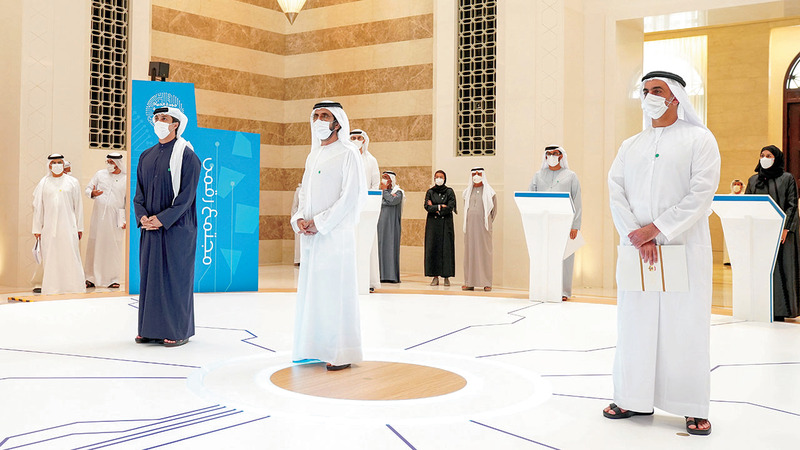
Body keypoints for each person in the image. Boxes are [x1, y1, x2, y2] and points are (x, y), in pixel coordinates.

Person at [606, 71, 720, 435]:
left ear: (676, 97)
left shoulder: (699, 139)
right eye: (645, 91)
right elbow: (615, 190)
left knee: (684, 324)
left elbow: (701, 193)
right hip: (637, 250)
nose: (649, 96)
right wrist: (637, 235)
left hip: (682, 247)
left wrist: (656, 229)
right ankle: (631, 397)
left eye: (657, 90)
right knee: (634, 323)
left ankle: (691, 406)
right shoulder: (631, 145)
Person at [291, 100, 366, 371]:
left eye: (325, 116)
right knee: (314, 294)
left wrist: (320, 222)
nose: (319, 121)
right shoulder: (313, 156)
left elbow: (350, 197)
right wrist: (299, 218)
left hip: (335, 236)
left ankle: (341, 352)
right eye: (316, 116)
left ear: (337, 122)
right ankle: (313, 348)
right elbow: (304, 194)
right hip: (312, 238)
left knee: (335, 294)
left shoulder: (348, 153)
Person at [133, 107, 201, 348]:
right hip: (150, 229)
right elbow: (139, 193)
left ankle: (178, 331)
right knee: (150, 278)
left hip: (177, 228)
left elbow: (186, 197)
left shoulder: (187, 156)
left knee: (175, 279)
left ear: (175, 124)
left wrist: (162, 219)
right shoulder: (146, 155)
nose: (159, 122)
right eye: (157, 118)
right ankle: (150, 330)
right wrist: (142, 217)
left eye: (164, 118)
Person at [745, 145, 799, 321]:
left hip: (782, 234)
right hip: (759, 234)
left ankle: (782, 311)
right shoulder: (753, 180)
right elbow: (745, 204)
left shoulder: (787, 178)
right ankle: (759, 307)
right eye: (762, 155)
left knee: (782, 269)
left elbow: (792, 205)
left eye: (769, 155)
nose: (765, 158)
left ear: (777, 158)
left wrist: (786, 228)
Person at [529, 145, 582, 300]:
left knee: (565, 257)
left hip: (565, 223)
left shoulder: (571, 176)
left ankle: (563, 291)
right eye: (549, 154)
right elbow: (530, 198)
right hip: (543, 224)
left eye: (555, 153)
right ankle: (544, 289)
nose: (552, 156)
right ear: (545, 157)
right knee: (544, 257)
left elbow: (577, 201)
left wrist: (575, 225)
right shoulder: (538, 176)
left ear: (561, 156)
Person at [31, 153, 86, 295]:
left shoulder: (73, 182)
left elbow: (78, 206)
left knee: (70, 256)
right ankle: (52, 288)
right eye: (53, 163)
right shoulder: (43, 183)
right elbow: (38, 207)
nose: (56, 165)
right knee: (51, 258)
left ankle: (74, 287)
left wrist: (79, 227)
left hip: (69, 226)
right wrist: (37, 228)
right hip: (49, 228)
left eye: (59, 162)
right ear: (49, 165)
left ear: (63, 164)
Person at [84, 153, 127, 289]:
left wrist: (125, 220)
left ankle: (112, 279)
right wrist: (92, 193)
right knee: (94, 245)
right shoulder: (100, 174)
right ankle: (90, 278)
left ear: (118, 163)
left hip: (115, 219)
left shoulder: (126, 178)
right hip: (98, 218)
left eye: (111, 162)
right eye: (107, 161)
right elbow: (88, 189)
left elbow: (128, 200)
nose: (109, 164)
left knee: (113, 248)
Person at [351, 129, 381, 292]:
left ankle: (368, 281)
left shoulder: (371, 160)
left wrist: (367, 198)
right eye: (353, 138)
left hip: (367, 208)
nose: (356, 140)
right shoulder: (347, 158)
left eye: (359, 138)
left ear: (364, 140)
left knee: (366, 243)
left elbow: (375, 184)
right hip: (349, 208)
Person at [462, 167, 497, 291]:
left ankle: (486, 282)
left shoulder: (490, 192)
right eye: (474, 174)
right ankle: (469, 282)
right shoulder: (467, 192)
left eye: (479, 173)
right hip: (470, 228)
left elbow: (494, 212)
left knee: (484, 253)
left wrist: (486, 223)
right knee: (470, 253)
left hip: (484, 228)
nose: (476, 176)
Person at [424, 170, 456, 286]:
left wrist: (435, 208)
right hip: (433, 225)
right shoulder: (430, 191)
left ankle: (446, 277)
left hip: (446, 224)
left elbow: (450, 206)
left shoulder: (449, 191)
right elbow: (427, 206)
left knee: (446, 249)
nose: (438, 179)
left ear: (444, 178)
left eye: (441, 177)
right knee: (433, 248)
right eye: (436, 177)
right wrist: (440, 206)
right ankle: (435, 277)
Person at [378, 171, 403, 283]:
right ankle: (380, 275)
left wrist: (385, 193)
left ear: (391, 180)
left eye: (386, 178)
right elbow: (379, 202)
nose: (383, 180)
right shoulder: (379, 192)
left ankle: (391, 276)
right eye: (382, 177)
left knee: (391, 247)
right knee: (380, 248)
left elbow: (393, 200)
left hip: (392, 227)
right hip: (380, 226)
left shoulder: (398, 192)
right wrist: (385, 195)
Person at [722, 179, 745, 265]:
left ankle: (740, 260)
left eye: (738, 184)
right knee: (729, 241)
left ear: (741, 186)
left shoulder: (745, 196)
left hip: (741, 223)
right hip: (730, 223)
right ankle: (728, 260)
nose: (736, 186)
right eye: (735, 184)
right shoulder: (729, 196)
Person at [291, 182, 302, 266]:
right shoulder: (299, 190)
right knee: (299, 241)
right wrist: (296, 219)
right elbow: (294, 206)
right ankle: (298, 260)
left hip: (311, 220)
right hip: (299, 219)